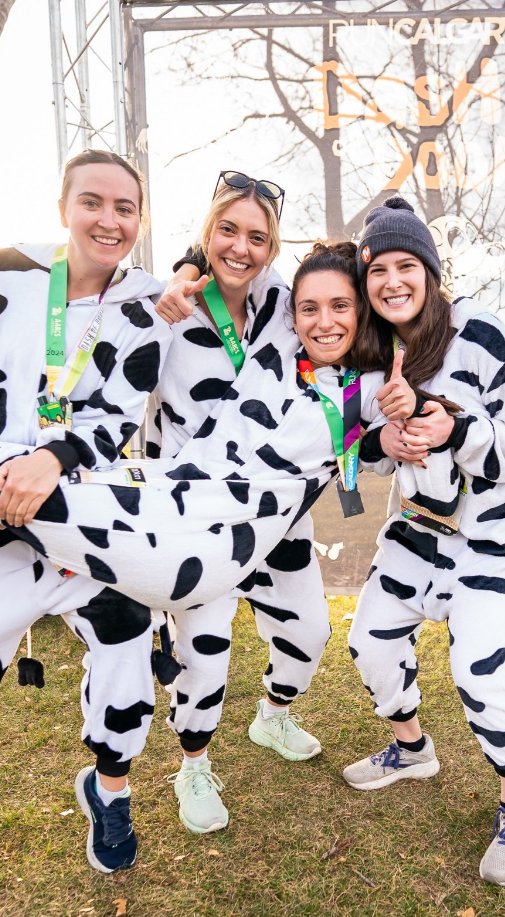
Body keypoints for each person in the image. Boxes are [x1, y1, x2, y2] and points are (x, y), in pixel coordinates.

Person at [0, 149, 172, 874]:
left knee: (128, 639)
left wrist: (52, 460)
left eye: (125, 208)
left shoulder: (146, 306)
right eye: (93, 202)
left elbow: (117, 416)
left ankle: (110, 789)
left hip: (81, 519)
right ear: (63, 208)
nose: (109, 220)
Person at [149, 172, 330, 835]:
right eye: (228, 230)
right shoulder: (169, 306)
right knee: (204, 649)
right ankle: (193, 763)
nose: (241, 248)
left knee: (309, 632)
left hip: (277, 510)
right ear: (206, 231)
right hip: (197, 515)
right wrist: (180, 274)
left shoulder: (285, 303)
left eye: (258, 237)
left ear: (273, 247)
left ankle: (272, 716)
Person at [341, 196, 505, 887]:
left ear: (431, 271)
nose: (391, 282)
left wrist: (454, 429)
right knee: (370, 643)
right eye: (377, 270)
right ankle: (411, 749)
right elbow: (357, 453)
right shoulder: (372, 351)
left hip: (491, 538)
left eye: (405, 265)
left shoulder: (482, 333)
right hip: (415, 535)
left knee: (484, 677)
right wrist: (384, 442)